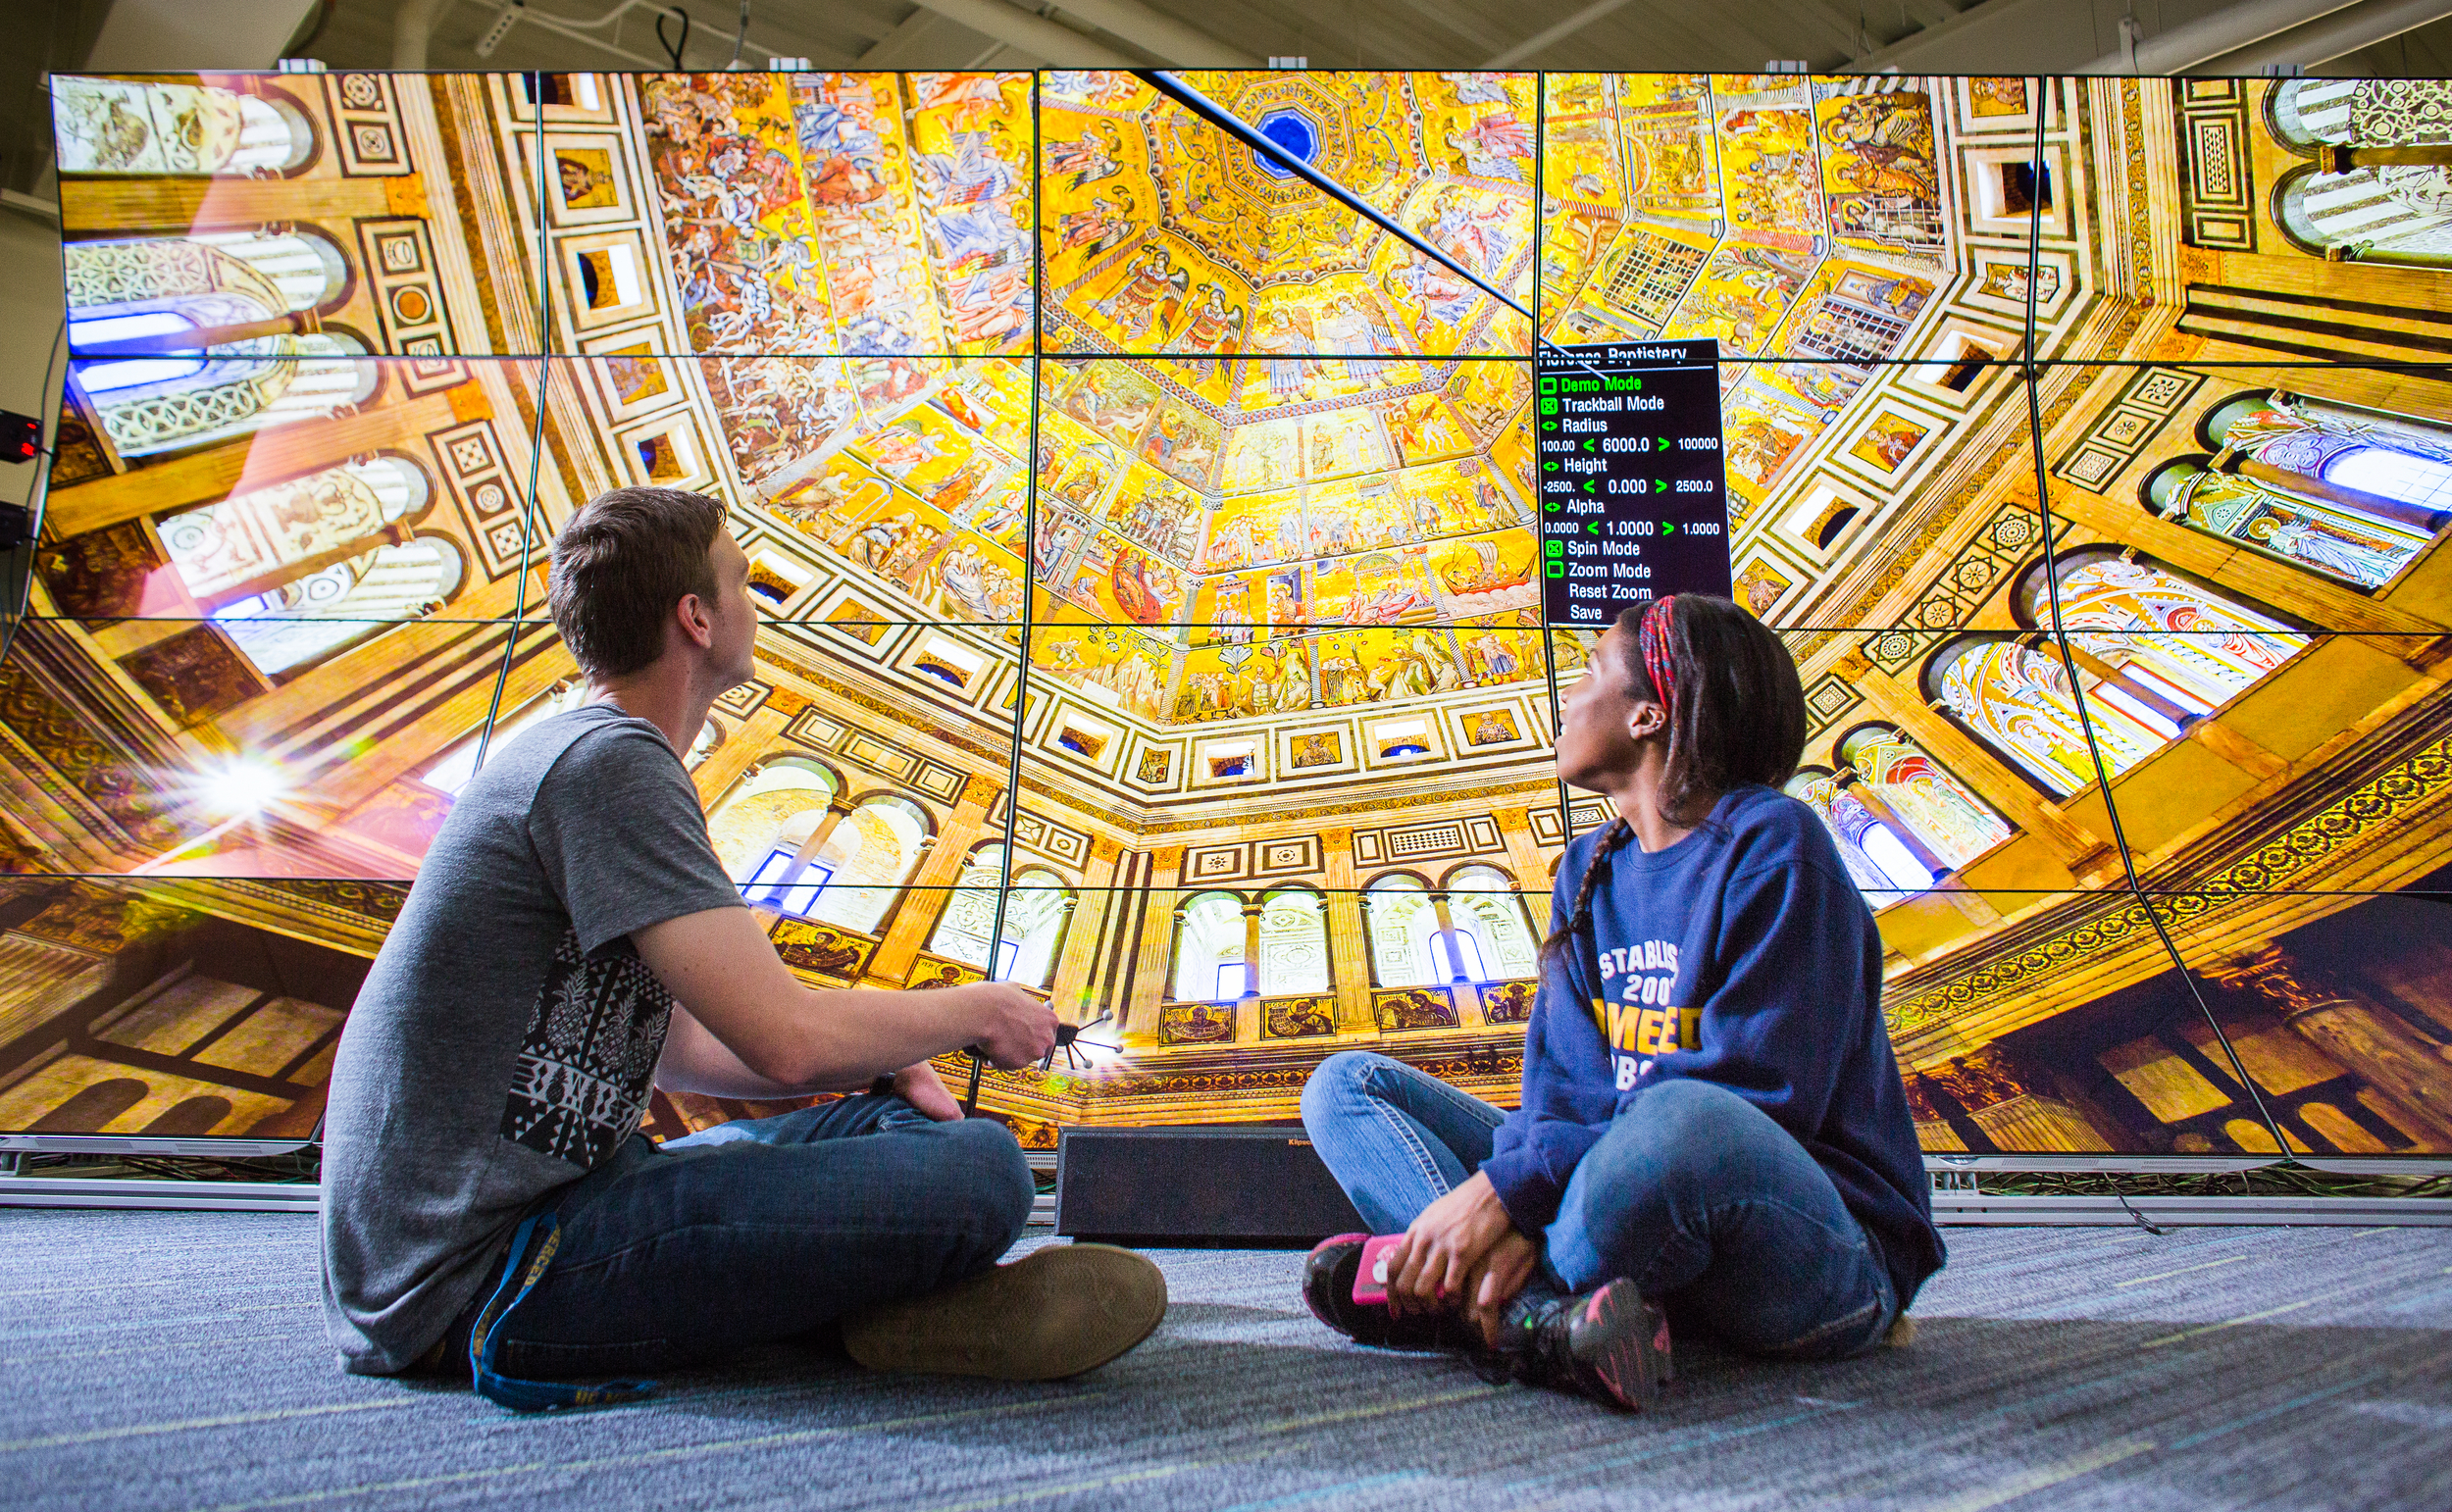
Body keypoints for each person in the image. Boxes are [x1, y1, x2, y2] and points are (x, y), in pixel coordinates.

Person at [321, 487, 1165, 1408]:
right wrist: (984, 1008)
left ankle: (863, 1309)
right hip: (484, 1274)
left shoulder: (587, 753)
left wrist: (886, 1070)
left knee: (894, 1124)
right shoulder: (612, 765)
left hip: (575, 1198)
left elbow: (688, 1048)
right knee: (984, 1171)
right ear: (696, 618)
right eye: (743, 582)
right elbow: (787, 1039)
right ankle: (877, 1318)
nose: (755, 605)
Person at [1297, 594, 1942, 1410]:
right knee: (1345, 1086)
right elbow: (1562, 1089)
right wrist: (1516, 1185)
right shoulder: (1588, 868)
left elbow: (1760, 1096)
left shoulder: (1776, 842)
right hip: (1620, 1194)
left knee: (1680, 1122)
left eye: (1591, 671)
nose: (1567, 697)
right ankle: (1543, 1319)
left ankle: (1466, 1295)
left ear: (1649, 713)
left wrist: (1505, 1197)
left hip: (1812, 1249)